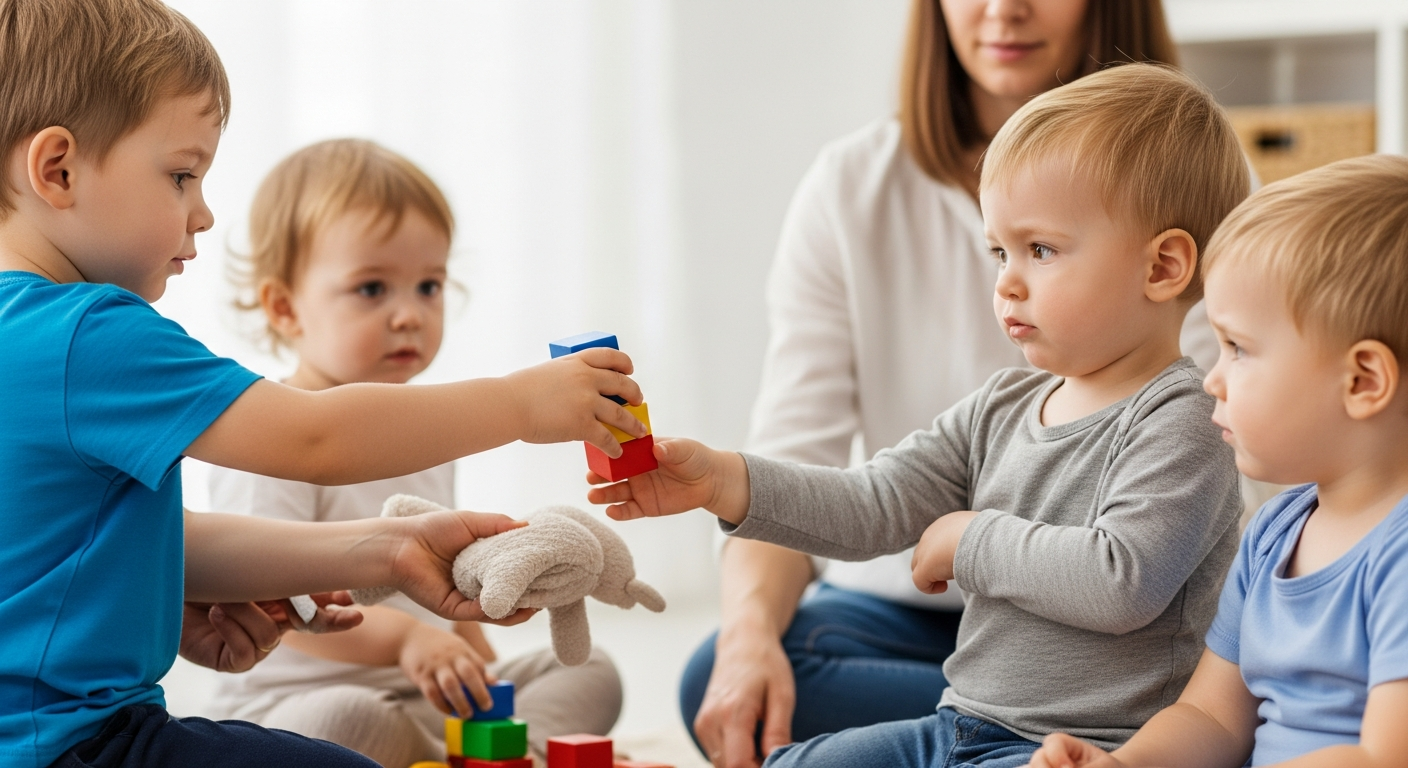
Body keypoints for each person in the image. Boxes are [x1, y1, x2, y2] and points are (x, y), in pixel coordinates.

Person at [0, 2, 647, 766]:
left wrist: (387, 551)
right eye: (181, 175)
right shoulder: (91, 333)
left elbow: (95, 546)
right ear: (58, 169)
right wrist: (519, 402)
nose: (203, 214)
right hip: (72, 744)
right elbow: (316, 436)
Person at [597, 63, 1247, 768]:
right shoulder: (1001, 407)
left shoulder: (1189, 418)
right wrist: (724, 482)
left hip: (1088, 751)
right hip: (963, 724)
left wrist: (971, 540)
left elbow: (1123, 581)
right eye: (999, 250)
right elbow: (872, 502)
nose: (1006, 281)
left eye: (1040, 250)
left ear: (1163, 268)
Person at [204, 139, 623, 768]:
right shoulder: (267, 431)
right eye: (372, 289)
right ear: (285, 307)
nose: (409, 315)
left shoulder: (429, 430)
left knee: (591, 669)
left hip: (425, 694)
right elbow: (278, 597)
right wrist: (407, 641)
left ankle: (501, 755)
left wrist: (475, 657)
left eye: (429, 285)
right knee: (344, 721)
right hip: (301, 705)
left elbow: (447, 576)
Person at [1024, 157, 1408, 768]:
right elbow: (1212, 716)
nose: (1212, 379)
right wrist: (1124, 764)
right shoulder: (1273, 533)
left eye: (1239, 349)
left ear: (1362, 380)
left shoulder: (1399, 554)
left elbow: (1384, 757)